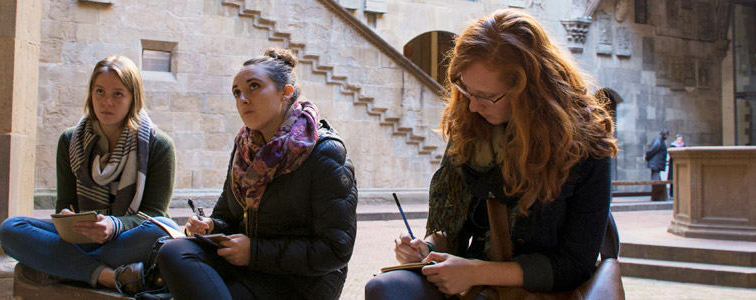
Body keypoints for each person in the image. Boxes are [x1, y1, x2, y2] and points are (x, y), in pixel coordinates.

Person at [365, 9, 618, 298]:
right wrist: (427, 248)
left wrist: (475, 272)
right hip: (469, 276)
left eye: (485, 96)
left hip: (542, 288)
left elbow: (575, 265)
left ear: (530, 90)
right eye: (466, 90)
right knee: (383, 289)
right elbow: (450, 231)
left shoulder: (585, 140)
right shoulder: (471, 124)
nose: (472, 106)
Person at [156, 48, 357, 300]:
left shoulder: (324, 152)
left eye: (254, 86)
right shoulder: (244, 147)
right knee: (173, 251)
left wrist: (255, 252)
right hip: (247, 268)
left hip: (301, 284)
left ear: (287, 93)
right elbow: (227, 215)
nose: (243, 98)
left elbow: (335, 250)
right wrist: (210, 226)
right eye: (237, 92)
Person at [0, 55, 179, 294]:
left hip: (127, 239)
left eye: (118, 94)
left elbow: (154, 214)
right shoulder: (70, 141)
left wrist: (113, 226)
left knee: (163, 228)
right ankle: (110, 276)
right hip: (82, 237)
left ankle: (65, 266)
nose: (107, 102)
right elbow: (66, 205)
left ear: (133, 98)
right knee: (11, 229)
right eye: (100, 92)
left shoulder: (158, 145)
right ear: (90, 94)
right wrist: (67, 219)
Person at [668, 134, 685, 199]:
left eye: (681, 139)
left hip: (681, 165)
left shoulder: (683, 146)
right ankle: (672, 194)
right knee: (673, 179)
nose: (680, 141)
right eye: (678, 139)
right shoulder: (672, 146)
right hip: (673, 165)